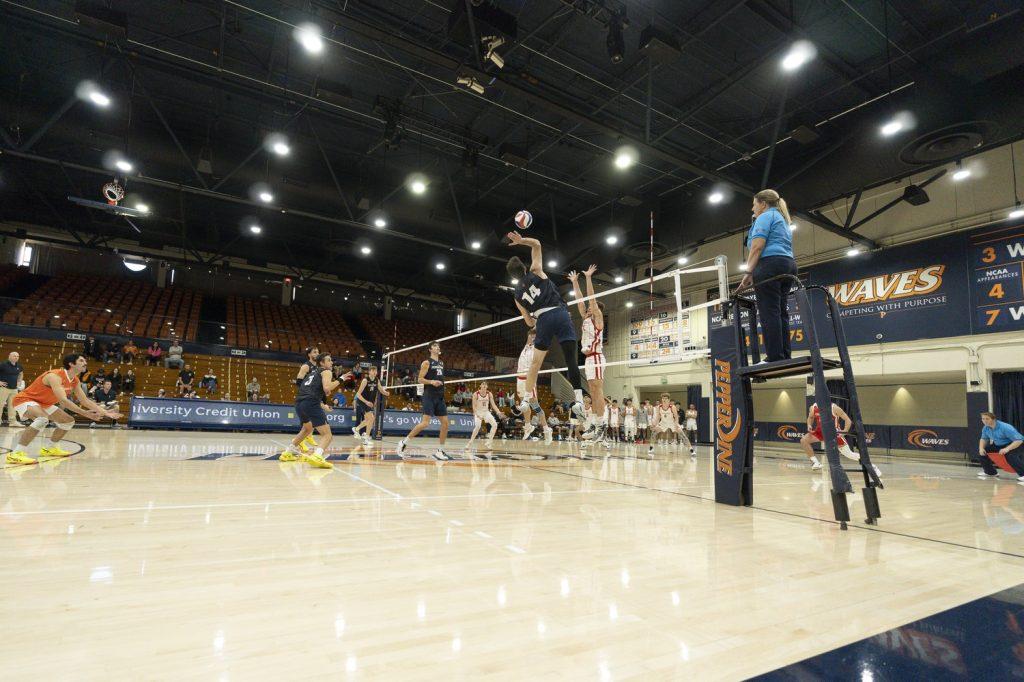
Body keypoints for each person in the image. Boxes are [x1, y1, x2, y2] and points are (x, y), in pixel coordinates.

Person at [506, 231, 586, 421]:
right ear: (524, 267)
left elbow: (528, 322)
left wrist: (536, 318)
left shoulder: (517, 296)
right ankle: (580, 400)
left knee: (535, 363)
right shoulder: (535, 271)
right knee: (570, 359)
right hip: (560, 313)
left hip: (543, 319)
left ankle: (526, 399)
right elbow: (537, 244)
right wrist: (521, 241)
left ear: (513, 276)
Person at [5, 353, 121, 466]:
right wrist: (85, 413)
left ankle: (50, 449)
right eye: (81, 361)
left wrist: (105, 412)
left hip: (44, 403)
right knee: (42, 418)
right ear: (71, 364)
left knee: (68, 421)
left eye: (85, 361)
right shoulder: (54, 376)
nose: (85, 363)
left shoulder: (75, 380)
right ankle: (16, 454)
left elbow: (84, 400)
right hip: (25, 399)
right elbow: (63, 401)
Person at [736, 189, 798, 362]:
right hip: (788, 265)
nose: (752, 209)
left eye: (754, 204)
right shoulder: (782, 218)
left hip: (770, 265)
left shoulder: (765, 217)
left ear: (763, 204)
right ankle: (784, 354)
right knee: (780, 312)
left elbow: (757, 247)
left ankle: (774, 356)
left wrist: (748, 273)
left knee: (769, 312)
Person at [568, 265, 607, 442]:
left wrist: (589, 278)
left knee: (597, 392)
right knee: (592, 391)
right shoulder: (586, 318)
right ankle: (594, 424)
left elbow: (591, 299)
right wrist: (575, 282)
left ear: (597, 310)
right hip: (588, 359)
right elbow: (580, 301)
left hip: (597, 356)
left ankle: (601, 425)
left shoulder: (598, 319)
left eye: (592, 308)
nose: (589, 309)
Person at [277, 353, 337, 469]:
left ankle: (287, 453)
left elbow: (310, 390)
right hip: (310, 403)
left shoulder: (312, 374)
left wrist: (323, 403)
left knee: (307, 429)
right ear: (322, 363)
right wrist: (341, 379)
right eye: (329, 360)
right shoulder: (327, 371)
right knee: (327, 435)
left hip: (299, 403)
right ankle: (317, 456)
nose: (332, 362)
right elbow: (327, 388)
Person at [397, 342, 451, 460]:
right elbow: (420, 379)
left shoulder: (441, 363)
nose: (438, 347)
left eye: (438, 346)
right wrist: (432, 382)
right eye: (435, 346)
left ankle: (440, 451)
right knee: (425, 423)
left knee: (445, 423)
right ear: (430, 349)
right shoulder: (426, 362)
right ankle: (403, 442)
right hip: (429, 396)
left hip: (440, 396)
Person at [800, 401, 880, 476]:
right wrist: (809, 425)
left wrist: (844, 432)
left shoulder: (834, 408)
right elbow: (810, 417)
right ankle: (815, 462)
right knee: (804, 440)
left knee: (850, 455)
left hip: (834, 434)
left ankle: (872, 466)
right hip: (820, 432)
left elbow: (848, 420)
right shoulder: (814, 407)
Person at [515, 329, 553, 445]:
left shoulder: (538, 350)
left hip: (529, 378)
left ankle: (547, 429)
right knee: (524, 405)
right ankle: (528, 426)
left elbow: (544, 344)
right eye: (531, 336)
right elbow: (530, 333)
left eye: (534, 336)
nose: (532, 337)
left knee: (535, 406)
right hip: (519, 378)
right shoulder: (527, 346)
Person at [284, 346, 321, 458]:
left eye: (318, 352)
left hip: (314, 398)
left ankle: (298, 443)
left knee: (308, 425)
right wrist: (307, 392)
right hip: (305, 398)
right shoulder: (306, 366)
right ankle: (301, 442)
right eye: (315, 352)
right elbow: (299, 381)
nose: (317, 354)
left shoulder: (319, 367)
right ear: (309, 354)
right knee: (308, 425)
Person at [977, 412, 1024, 481]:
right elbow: (984, 438)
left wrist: (1007, 449)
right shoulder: (985, 428)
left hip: (1017, 444)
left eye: (987, 419)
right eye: (983, 419)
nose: (984, 421)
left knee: (1010, 455)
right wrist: (981, 448)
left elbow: (1019, 440)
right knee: (982, 453)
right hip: (999, 444)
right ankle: (991, 472)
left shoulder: (1005, 427)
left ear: (993, 419)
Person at [353, 366, 389, 446]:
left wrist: (385, 393)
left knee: (368, 420)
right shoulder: (365, 380)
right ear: (369, 372)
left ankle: (356, 429)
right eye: (372, 370)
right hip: (363, 401)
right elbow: (358, 394)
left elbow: (380, 389)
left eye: (375, 371)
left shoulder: (377, 380)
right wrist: (366, 402)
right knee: (372, 418)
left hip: (369, 402)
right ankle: (366, 438)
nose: (374, 372)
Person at [465, 381, 503, 453]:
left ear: (487, 387)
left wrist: (498, 412)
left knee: (495, 425)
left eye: (486, 384)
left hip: (486, 412)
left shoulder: (489, 394)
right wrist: (477, 414)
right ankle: (470, 443)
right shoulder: (476, 394)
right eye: (483, 384)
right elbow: (474, 406)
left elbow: (493, 405)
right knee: (478, 426)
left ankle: (489, 442)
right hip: (478, 412)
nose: (484, 385)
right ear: (480, 386)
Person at [0, 351, 24, 426]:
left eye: (17, 356)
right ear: (9, 356)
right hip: (4, 388)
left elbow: (21, 374)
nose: (16, 357)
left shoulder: (19, 366)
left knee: (13, 405)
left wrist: (19, 381)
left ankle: (12, 421)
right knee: (0, 404)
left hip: (14, 389)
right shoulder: (3, 364)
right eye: (14, 356)